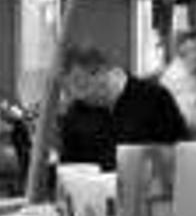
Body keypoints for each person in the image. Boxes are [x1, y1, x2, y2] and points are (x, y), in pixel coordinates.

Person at [58, 44, 188, 171]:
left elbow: (180, 153)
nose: (78, 96)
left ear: (102, 72)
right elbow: (69, 168)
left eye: (82, 86)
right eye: (69, 91)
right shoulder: (76, 112)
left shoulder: (155, 98)